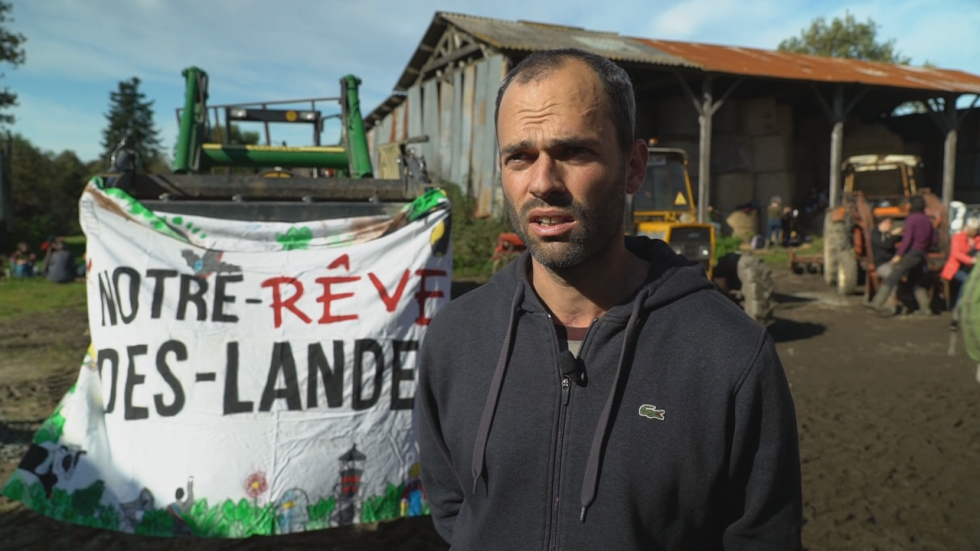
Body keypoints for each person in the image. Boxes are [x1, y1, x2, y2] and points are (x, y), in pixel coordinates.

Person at [416, 48, 802, 550]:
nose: (542, 183)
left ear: (634, 167)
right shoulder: (455, 339)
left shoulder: (729, 355)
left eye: (574, 152)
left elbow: (763, 539)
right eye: (520, 156)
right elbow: (454, 512)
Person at [869, 195, 936, 316]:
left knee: (893, 277)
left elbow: (908, 239)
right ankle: (926, 309)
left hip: (912, 254)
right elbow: (934, 239)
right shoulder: (927, 220)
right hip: (922, 255)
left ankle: (877, 303)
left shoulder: (911, 219)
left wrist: (899, 255)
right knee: (916, 281)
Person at [942, 218, 980, 330]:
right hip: (956, 270)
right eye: (972, 229)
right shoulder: (958, 238)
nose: (974, 232)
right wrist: (970, 260)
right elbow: (956, 253)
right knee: (967, 281)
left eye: (976, 230)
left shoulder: (977, 239)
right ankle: (957, 312)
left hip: (973, 271)